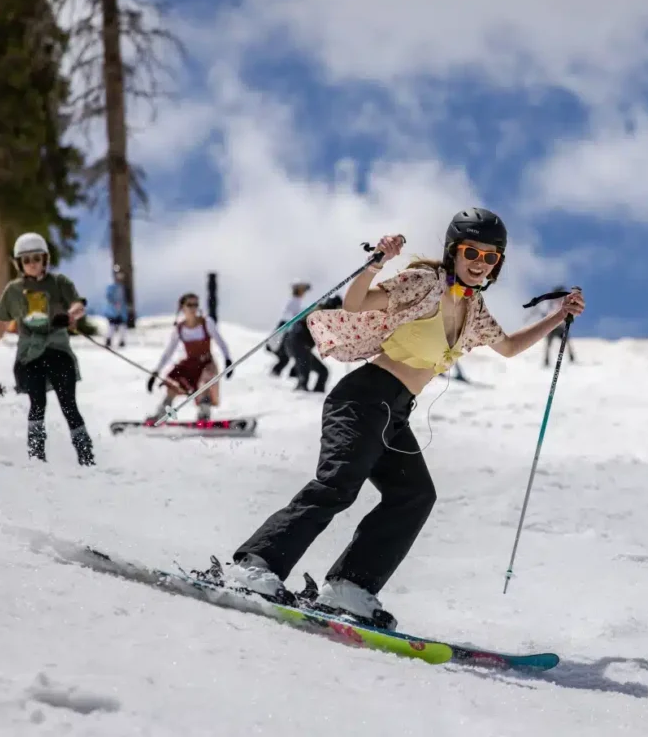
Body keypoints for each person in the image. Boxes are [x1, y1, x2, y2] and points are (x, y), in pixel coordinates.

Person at [222, 208, 586, 630]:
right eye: (472, 252)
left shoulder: (475, 309)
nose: (479, 263)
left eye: (490, 258)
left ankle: (349, 587)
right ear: (454, 251)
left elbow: (507, 347)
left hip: (395, 413)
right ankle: (254, 565)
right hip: (362, 399)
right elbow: (356, 303)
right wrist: (377, 262)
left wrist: (558, 316)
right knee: (339, 484)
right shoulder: (425, 283)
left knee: (414, 496)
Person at [0, 232, 95, 465]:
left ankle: (85, 454)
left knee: (69, 405)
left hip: (58, 351)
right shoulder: (13, 290)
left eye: (36, 258)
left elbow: (78, 306)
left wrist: (68, 316)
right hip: (30, 357)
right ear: (19, 264)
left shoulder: (58, 283)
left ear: (44, 259)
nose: (32, 264)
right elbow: (2, 323)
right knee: (37, 403)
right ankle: (36, 455)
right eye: (26, 260)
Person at [146, 293, 234, 423]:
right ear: (182, 308)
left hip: (206, 363)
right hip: (190, 364)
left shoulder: (206, 323)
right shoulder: (180, 328)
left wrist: (228, 359)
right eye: (190, 305)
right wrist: (156, 371)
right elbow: (169, 352)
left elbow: (220, 342)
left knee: (205, 383)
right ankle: (161, 413)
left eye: (196, 305)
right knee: (173, 384)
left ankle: (204, 414)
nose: (193, 308)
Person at [286, 294, 343, 393]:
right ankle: (299, 396)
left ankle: (317, 393)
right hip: (298, 344)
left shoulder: (324, 315)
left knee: (323, 372)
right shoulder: (320, 313)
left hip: (300, 346)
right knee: (305, 375)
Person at [270, 281, 311, 378]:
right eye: (302, 290)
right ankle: (277, 373)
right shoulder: (294, 301)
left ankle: (290, 373)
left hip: (288, 330)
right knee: (286, 355)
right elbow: (290, 315)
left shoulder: (297, 301)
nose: (304, 292)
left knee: (288, 355)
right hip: (285, 330)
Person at [533, 285, 577, 367]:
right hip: (553, 327)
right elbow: (544, 311)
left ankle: (571, 357)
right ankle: (547, 360)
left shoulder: (563, 302)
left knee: (565, 342)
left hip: (558, 327)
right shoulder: (551, 302)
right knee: (551, 344)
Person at [104, 265, 129, 348]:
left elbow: (124, 299)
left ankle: (122, 341)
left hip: (121, 311)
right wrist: (114, 304)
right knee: (112, 325)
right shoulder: (111, 286)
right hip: (112, 311)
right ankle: (108, 339)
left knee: (122, 326)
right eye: (118, 274)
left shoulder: (122, 287)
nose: (120, 276)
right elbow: (109, 297)